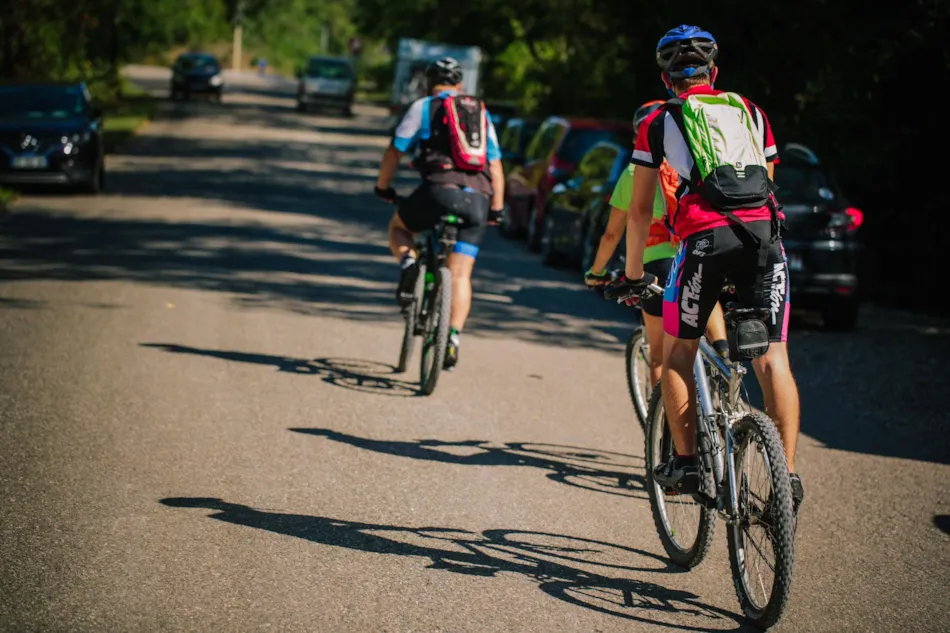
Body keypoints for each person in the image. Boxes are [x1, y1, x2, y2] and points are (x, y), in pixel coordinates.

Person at [608, 25, 804, 512]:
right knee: (772, 358)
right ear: (714, 73)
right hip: (764, 242)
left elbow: (638, 210)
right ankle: (787, 481)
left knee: (676, 353)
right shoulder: (750, 111)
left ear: (665, 78)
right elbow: (765, 186)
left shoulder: (658, 121)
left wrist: (634, 277)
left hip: (703, 242)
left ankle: (688, 462)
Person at [585, 100, 730, 389]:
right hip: (700, 250)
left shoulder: (632, 173)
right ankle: (724, 354)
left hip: (657, 264)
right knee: (707, 294)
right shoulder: (694, 165)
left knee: (661, 358)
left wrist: (597, 272)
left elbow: (611, 235)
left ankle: (663, 428)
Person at [374, 57, 507, 371]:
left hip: (437, 192)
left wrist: (383, 187)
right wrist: (497, 209)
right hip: (477, 199)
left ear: (429, 83)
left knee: (399, 228)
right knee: (461, 274)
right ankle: (453, 337)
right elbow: (496, 166)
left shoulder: (423, 107)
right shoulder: (480, 112)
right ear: (460, 85)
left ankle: (409, 264)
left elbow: (395, 150)